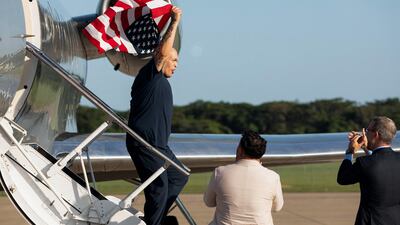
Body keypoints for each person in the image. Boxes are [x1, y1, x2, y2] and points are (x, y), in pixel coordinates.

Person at [125, 6, 188, 225]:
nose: (176, 65)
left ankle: (157, 218)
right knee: (159, 186)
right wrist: (174, 22)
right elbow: (161, 53)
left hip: (160, 145)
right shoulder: (150, 75)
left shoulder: (162, 82)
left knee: (179, 176)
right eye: (174, 60)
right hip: (144, 143)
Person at [204, 130, 284, 225]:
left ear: (240, 150)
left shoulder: (220, 172)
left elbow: (209, 202)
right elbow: (277, 207)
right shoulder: (273, 176)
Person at [337, 116, 400, 225]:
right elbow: (378, 163)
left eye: (367, 130)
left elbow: (343, 178)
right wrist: (366, 148)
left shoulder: (364, 163)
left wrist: (350, 152)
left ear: (376, 134)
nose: (365, 134)